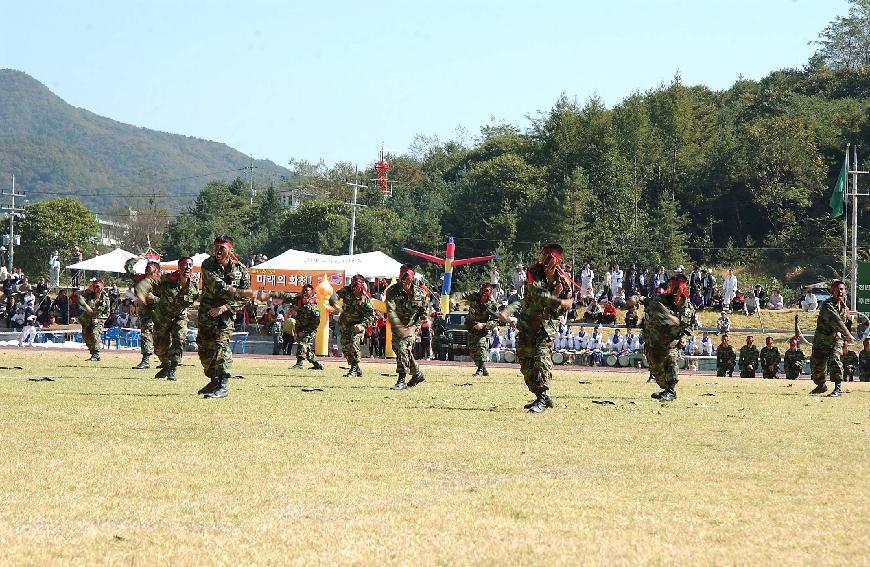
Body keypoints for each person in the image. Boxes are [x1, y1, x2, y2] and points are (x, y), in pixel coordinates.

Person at [501, 243, 573, 413]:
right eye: (545, 256)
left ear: (558, 261)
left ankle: (541, 398)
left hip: (546, 327)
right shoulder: (534, 272)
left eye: (550, 258)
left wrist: (563, 303)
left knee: (541, 358)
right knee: (526, 363)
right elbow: (537, 293)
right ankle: (541, 395)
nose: (546, 260)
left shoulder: (563, 281)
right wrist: (556, 299)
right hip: (528, 323)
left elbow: (566, 305)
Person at [196, 236, 267, 399]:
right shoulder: (208, 264)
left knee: (221, 346)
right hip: (207, 313)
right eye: (216, 248)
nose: (218, 251)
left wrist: (225, 307)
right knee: (204, 350)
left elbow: (244, 299)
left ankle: (223, 384)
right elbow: (219, 287)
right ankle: (213, 380)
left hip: (225, 316)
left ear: (230, 250)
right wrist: (244, 292)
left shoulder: (241, 270)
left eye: (222, 248)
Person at [635, 272, 696, 401]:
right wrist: (667, 316)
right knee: (656, 368)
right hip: (656, 340)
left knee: (672, 357)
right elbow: (652, 304)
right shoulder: (662, 299)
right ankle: (666, 388)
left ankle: (671, 390)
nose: (675, 298)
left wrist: (685, 338)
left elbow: (690, 327)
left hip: (673, 342)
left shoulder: (689, 309)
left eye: (677, 293)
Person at [151, 256, 201, 381]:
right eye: (184, 265)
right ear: (179, 268)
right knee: (159, 347)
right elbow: (152, 288)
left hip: (180, 316)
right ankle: (166, 364)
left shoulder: (194, 286)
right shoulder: (168, 279)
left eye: (190, 266)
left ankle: (173, 367)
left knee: (179, 338)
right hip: (163, 316)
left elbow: (193, 300)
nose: (187, 268)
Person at [386, 266, 429, 390]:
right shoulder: (392, 291)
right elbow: (390, 310)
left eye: (407, 275)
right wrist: (399, 328)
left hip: (412, 327)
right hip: (397, 326)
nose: (404, 278)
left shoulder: (420, 293)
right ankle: (417, 374)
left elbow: (424, 314)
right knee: (399, 349)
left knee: (401, 348)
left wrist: (414, 328)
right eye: (402, 275)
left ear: (412, 277)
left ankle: (401, 380)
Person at [809, 280, 854, 397]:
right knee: (818, 363)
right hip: (822, 339)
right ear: (832, 291)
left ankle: (837, 388)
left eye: (842, 289)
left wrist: (843, 335)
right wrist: (848, 335)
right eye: (836, 289)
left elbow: (846, 324)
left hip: (835, 340)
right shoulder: (827, 305)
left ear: (845, 291)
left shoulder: (844, 308)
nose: (840, 292)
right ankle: (821, 385)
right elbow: (836, 321)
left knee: (835, 359)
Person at [329, 274, 376, 378]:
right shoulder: (346, 290)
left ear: (361, 286)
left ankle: (354, 369)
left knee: (354, 342)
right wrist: (336, 306)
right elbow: (333, 298)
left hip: (358, 326)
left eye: (356, 286)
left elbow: (371, 316)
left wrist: (362, 325)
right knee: (345, 347)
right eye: (353, 285)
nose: (353, 288)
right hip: (345, 324)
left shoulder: (365, 300)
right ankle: (356, 368)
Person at [125, 256, 162, 371]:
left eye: (150, 269)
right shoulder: (140, 279)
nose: (147, 271)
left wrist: (154, 298)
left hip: (158, 313)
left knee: (161, 337)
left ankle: (166, 360)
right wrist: (137, 258)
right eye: (146, 269)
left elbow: (168, 300)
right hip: (145, 314)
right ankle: (146, 360)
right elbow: (128, 267)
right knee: (146, 334)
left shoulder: (161, 283)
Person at [462, 283, 501, 376]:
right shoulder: (475, 296)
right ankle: (484, 370)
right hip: (472, 327)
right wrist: (454, 298)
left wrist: (483, 325)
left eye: (485, 293)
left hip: (483, 330)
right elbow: (463, 295)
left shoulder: (492, 305)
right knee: (472, 350)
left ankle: (479, 370)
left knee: (481, 346)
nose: (482, 295)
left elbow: (496, 319)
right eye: (482, 292)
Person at [286, 284, 323, 370]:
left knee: (303, 344)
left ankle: (299, 364)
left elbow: (316, 323)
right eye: (304, 290)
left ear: (311, 293)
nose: (305, 292)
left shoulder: (313, 307)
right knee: (306, 350)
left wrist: (305, 331)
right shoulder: (298, 302)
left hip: (309, 330)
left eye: (308, 290)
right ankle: (317, 364)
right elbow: (286, 297)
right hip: (299, 329)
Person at [77, 278, 110, 362]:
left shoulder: (105, 299)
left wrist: (98, 320)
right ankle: (93, 353)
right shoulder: (88, 294)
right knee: (86, 336)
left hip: (98, 320)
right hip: (87, 319)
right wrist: (86, 306)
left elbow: (107, 313)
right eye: (95, 287)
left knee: (94, 333)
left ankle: (96, 354)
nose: (96, 289)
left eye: (98, 287)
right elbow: (79, 299)